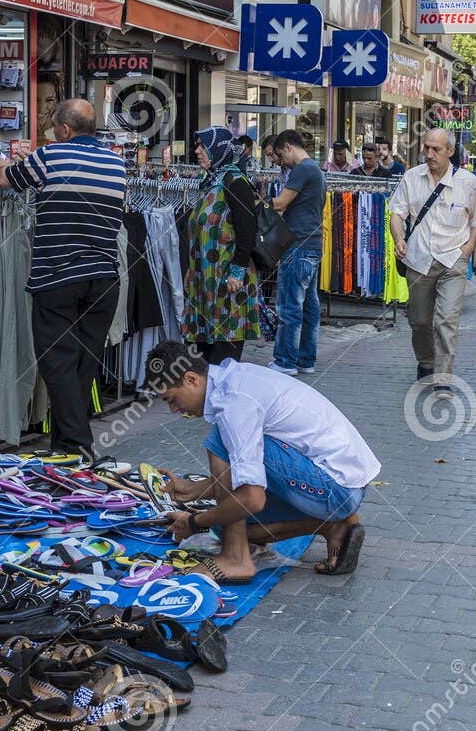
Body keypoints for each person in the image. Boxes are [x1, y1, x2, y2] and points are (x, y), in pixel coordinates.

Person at [147, 342, 377, 582]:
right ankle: (330, 525)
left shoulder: (233, 400)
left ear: (191, 379)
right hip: (343, 488)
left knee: (220, 442)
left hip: (335, 487)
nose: (174, 410)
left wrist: (194, 522)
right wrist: (194, 490)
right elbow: (244, 473)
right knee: (225, 525)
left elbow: (252, 498)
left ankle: (236, 559)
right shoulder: (233, 380)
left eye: (171, 399)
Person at [0, 98, 126, 455]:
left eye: (54, 128)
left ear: (65, 130)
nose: (53, 134)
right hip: (103, 279)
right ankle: (66, 447)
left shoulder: (51, 156)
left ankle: (80, 447)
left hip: (58, 277)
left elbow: (8, 180)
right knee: (82, 366)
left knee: (57, 363)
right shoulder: (117, 164)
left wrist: (0, 163)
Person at [389, 129, 476, 387]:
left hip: (452, 261)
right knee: (419, 321)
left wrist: (467, 250)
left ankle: (443, 375)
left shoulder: (467, 182)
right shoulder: (412, 177)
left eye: (436, 149)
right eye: (426, 148)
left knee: (446, 321)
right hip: (419, 260)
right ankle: (426, 361)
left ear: (451, 151)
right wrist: (399, 239)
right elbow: (397, 213)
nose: (429, 154)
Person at [182, 127, 260, 367]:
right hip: (204, 281)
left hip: (228, 283)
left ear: (219, 149)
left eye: (202, 146)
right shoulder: (209, 182)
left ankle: (222, 401)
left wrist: (237, 271)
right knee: (199, 354)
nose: (197, 151)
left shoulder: (236, 183)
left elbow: (247, 231)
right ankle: (204, 403)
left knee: (223, 359)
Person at [269, 130, 324, 376]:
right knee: (309, 307)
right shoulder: (315, 169)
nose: (281, 160)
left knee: (289, 306)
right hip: (312, 244)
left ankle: (285, 361)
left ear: (288, 146)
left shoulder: (303, 168)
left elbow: (280, 203)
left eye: (280, 154)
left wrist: (254, 202)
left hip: (298, 245)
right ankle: (305, 360)